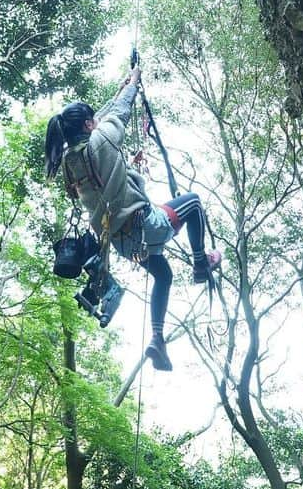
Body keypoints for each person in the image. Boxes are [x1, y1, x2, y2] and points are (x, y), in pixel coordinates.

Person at [45, 65, 221, 371]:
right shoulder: (101, 139)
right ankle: (200, 264)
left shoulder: (69, 161)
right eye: (92, 121)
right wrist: (133, 83)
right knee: (192, 203)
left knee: (163, 275)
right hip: (145, 226)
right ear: (88, 124)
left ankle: (157, 339)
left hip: (123, 244)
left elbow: (88, 190)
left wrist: (124, 169)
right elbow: (120, 111)